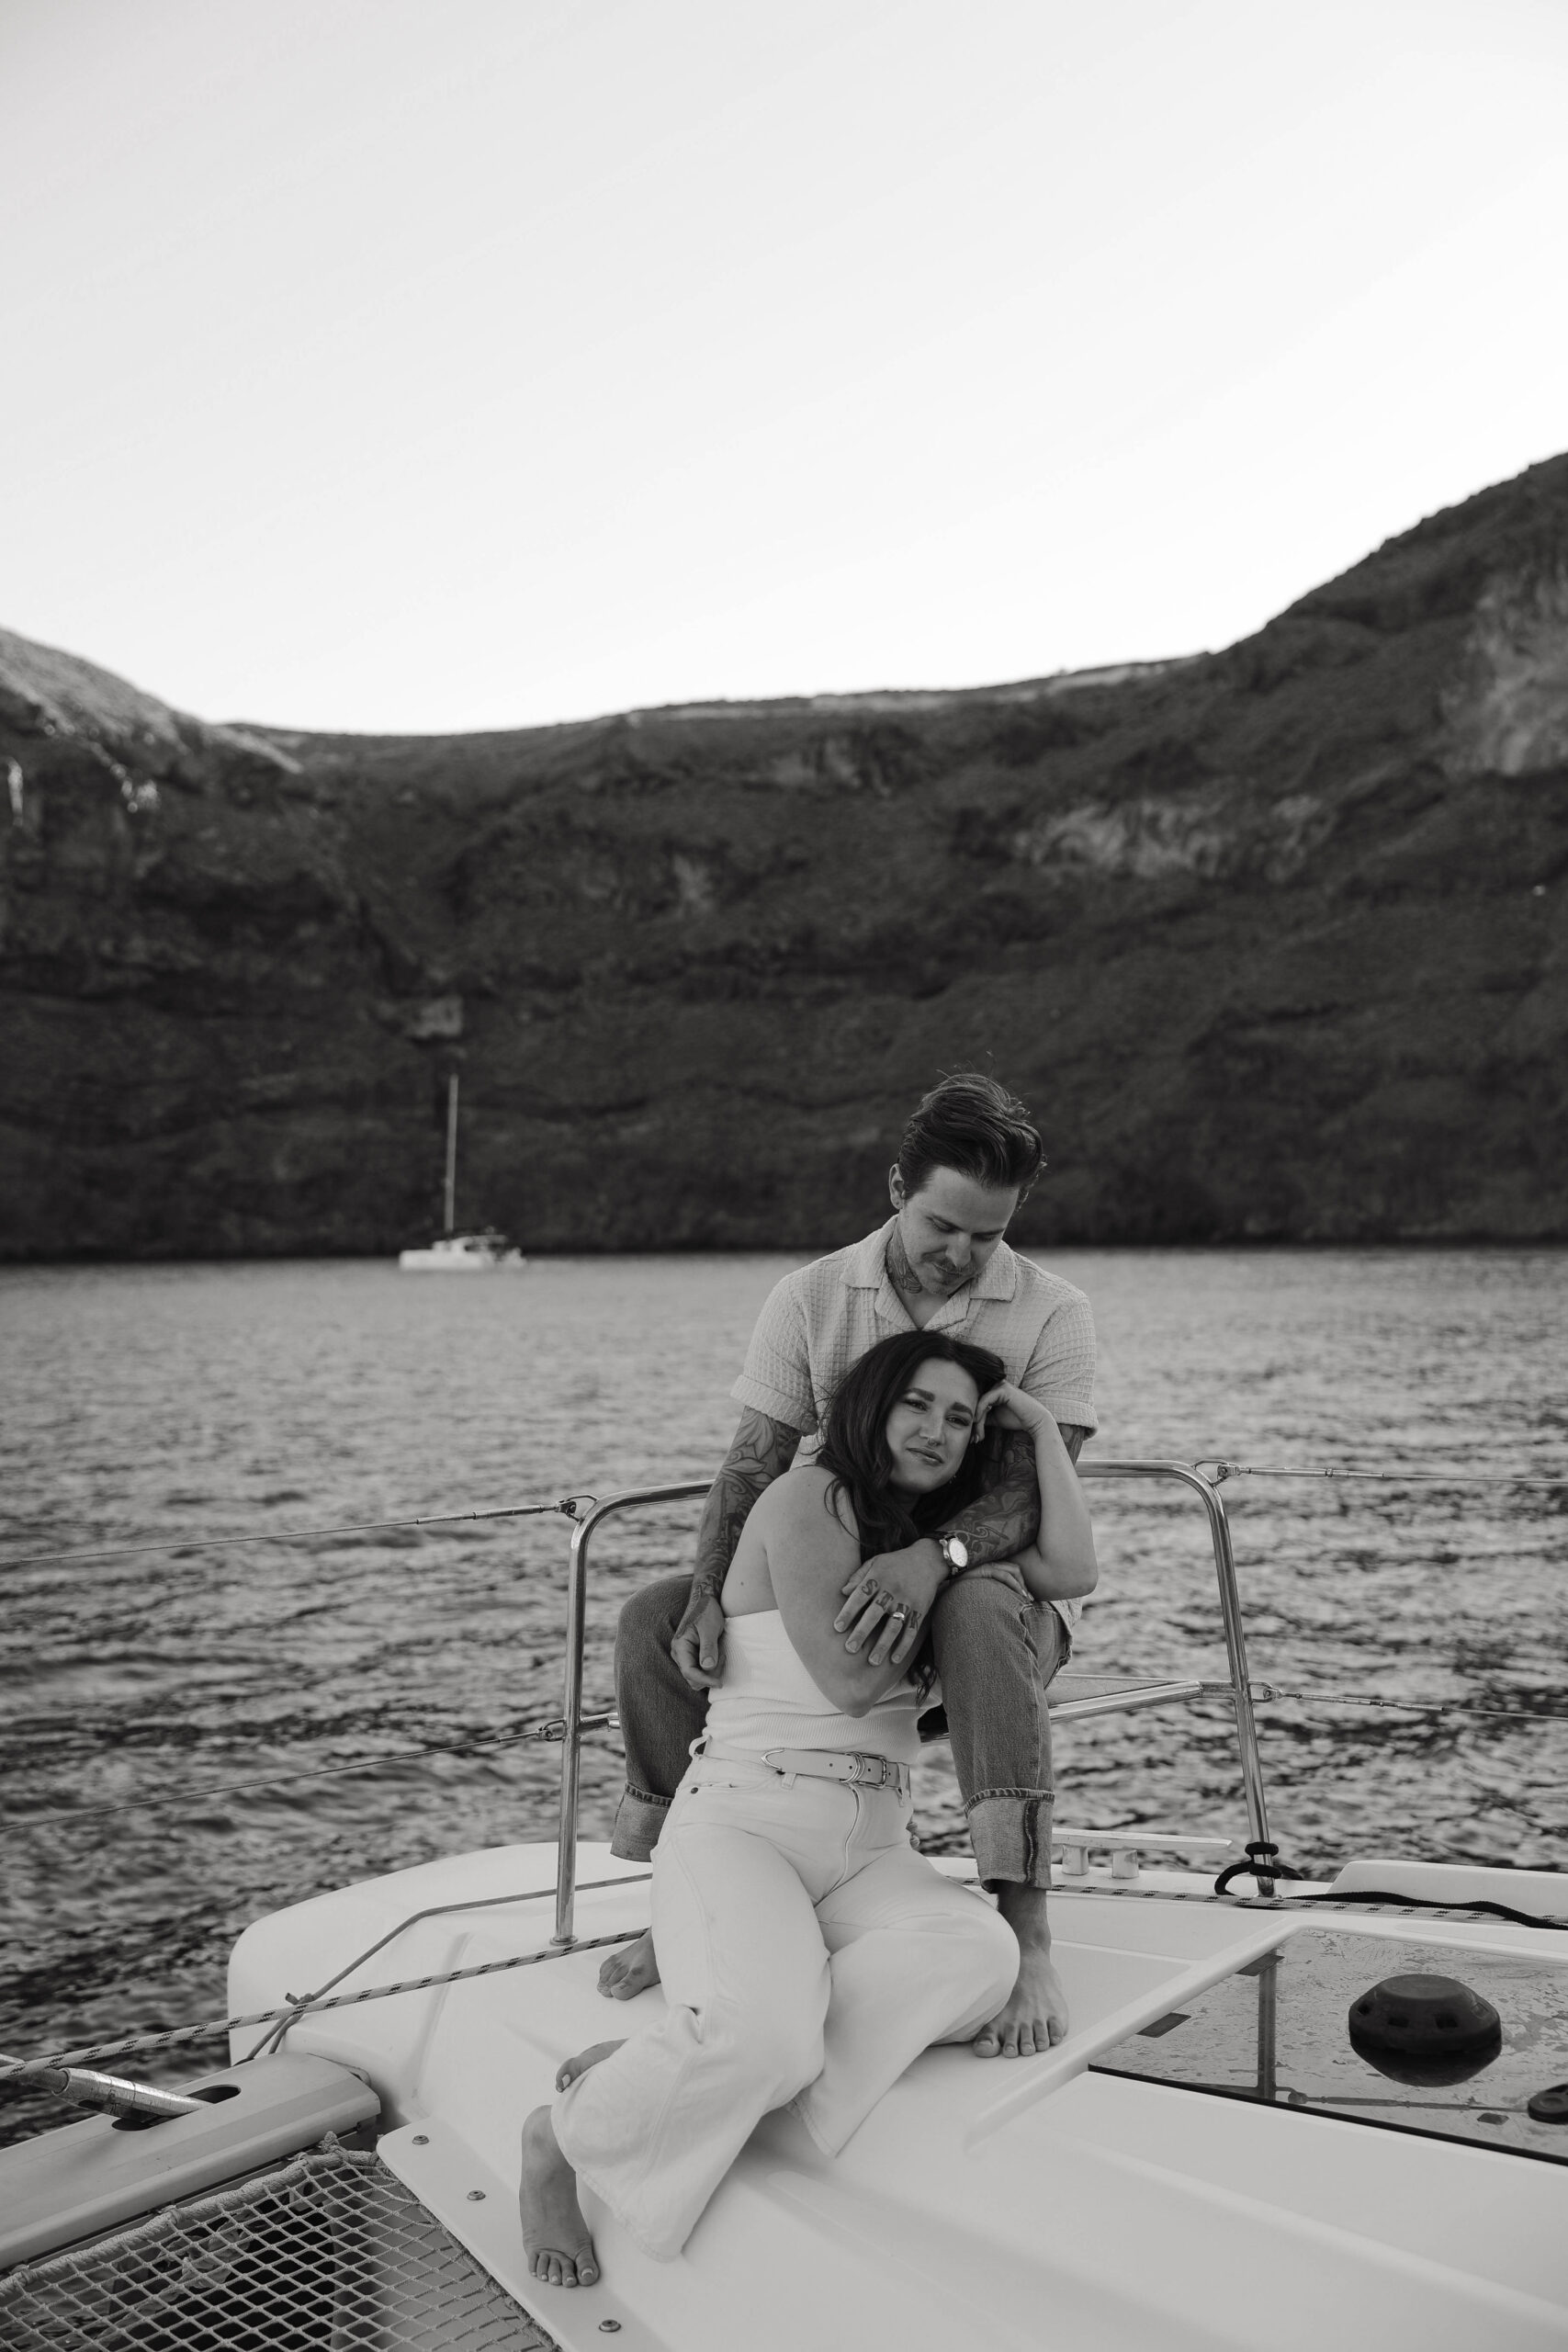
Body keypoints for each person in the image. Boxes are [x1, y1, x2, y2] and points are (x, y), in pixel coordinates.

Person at [518, 1331, 1100, 2286]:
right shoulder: (810, 1498)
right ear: (871, 1407)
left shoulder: (931, 1538)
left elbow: (1074, 1571)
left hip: (873, 1839)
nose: (938, 1430)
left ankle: (671, 2066)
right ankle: (561, 2141)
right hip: (748, 1819)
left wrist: (1030, 1428)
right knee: (769, 2035)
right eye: (916, 1403)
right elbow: (844, 1680)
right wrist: (947, 1572)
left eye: (960, 1418)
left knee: (984, 1955)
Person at [602, 1073, 1098, 2055]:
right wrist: (707, 1589)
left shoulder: (1053, 1314)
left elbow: (1029, 1498)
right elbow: (754, 1461)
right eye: (943, 1225)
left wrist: (933, 1556)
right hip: (843, 1575)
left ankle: (1026, 1917)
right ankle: (679, 1899)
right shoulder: (812, 1296)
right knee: (650, 1620)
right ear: (896, 1190)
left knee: (979, 1606)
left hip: (987, 1587)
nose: (961, 1254)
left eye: (988, 1234)